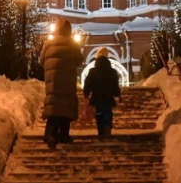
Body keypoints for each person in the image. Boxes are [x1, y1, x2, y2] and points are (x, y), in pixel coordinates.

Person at [39, 19, 82, 148]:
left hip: (53, 81)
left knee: (54, 106)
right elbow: (79, 60)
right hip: (68, 80)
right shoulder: (72, 43)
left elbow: (41, 60)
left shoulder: (48, 43)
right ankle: (64, 135)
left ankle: (50, 134)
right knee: (66, 106)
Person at [82, 47, 121, 137]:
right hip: (108, 95)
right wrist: (118, 95)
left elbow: (88, 83)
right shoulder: (112, 71)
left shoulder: (93, 71)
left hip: (97, 96)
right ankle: (107, 125)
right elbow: (115, 84)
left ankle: (101, 130)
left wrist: (86, 93)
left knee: (99, 112)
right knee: (107, 111)